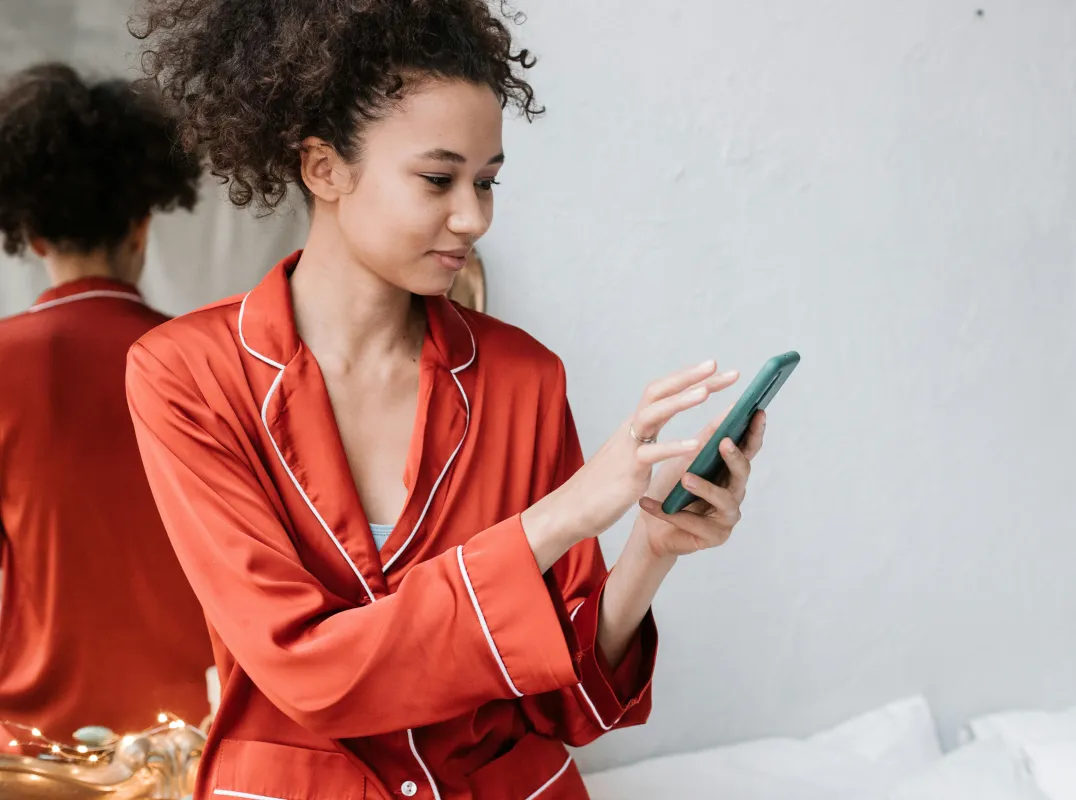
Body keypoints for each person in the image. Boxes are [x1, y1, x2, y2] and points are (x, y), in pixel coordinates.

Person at [127, 2, 769, 798]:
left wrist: (651, 551)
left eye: (487, 182)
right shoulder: (185, 375)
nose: (473, 217)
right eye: (438, 179)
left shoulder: (524, 378)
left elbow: (567, 706)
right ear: (323, 167)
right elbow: (308, 672)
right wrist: (561, 515)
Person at [0, 63, 212, 744]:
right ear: (141, 225)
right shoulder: (208, 362)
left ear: (30, 236)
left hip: (31, 747)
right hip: (192, 739)